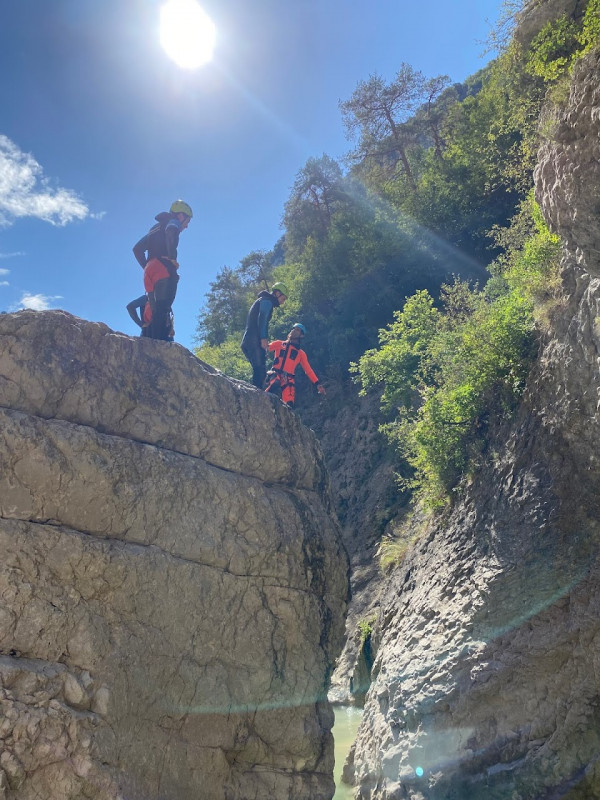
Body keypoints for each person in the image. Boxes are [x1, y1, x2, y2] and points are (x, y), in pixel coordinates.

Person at [131, 200, 192, 341]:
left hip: (149, 272)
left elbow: (137, 249)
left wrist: (147, 266)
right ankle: (158, 347)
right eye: (187, 221)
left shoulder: (155, 228)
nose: (187, 226)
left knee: (155, 311)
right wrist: (171, 258)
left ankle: (148, 342)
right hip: (163, 269)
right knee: (163, 309)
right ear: (181, 216)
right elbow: (172, 232)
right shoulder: (173, 222)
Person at [265, 323, 326, 409]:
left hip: (288, 379)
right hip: (275, 374)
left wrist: (317, 383)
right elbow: (265, 348)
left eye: (297, 330)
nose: (293, 331)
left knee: (289, 405)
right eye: (293, 328)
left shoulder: (300, 354)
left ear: (301, 335)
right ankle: (262, 397)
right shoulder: (279, 344)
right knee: (276, 383)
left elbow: (308, 370)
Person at [241, 282, 287, 388]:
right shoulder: (267, 301)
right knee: (260, 372)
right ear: (278, 293)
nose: (283, 302)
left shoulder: (262, 300)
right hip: (254, 341)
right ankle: (256, 400)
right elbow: (262, 319)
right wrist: (263, 339)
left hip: (247, 342)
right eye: (283, 298)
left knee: (259, 371)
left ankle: (255, 396)